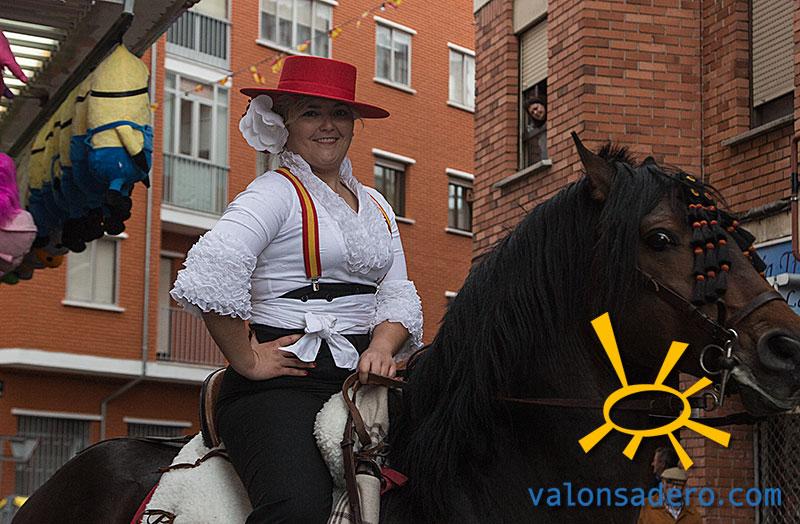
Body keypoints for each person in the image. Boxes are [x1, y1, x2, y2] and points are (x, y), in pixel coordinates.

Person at [170, 55, 423, 523]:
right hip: (283, 386)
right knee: (298, 509)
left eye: (340, 113)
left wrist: (382, 348)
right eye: (311, 112)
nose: (328, 125)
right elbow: (211, 269)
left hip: (366, 382)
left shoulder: (378, 205)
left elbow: (397, 292)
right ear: (283, 122)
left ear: (353, 124)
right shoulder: (273, 192)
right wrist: (247, 359)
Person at [637, 467, 702, 524]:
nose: (674, 488)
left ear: (684, 487)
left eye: (679, 484)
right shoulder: (648, 505)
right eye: (670, 483)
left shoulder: (692, 513)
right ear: (663, 484)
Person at [524, 95, 547, 164]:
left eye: (536, 108)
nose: (535, 113)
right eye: (532, 113)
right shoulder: (536, 129)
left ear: (542, 105)